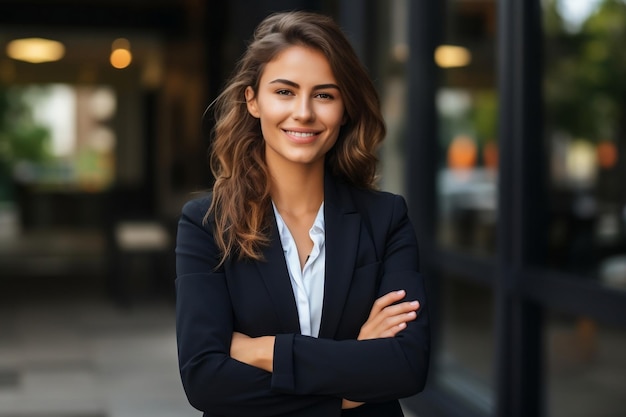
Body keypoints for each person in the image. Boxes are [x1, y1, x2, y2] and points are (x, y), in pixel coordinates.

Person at [175, 10, 429, 417]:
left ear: (345, 109)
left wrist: (263, 350)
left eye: (324, 95)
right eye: (285, 92)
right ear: (253, 100)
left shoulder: (386, 219)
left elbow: (406, 367)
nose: (304, 113)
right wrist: (351, 373)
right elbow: (205, 379)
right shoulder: (206, 224)